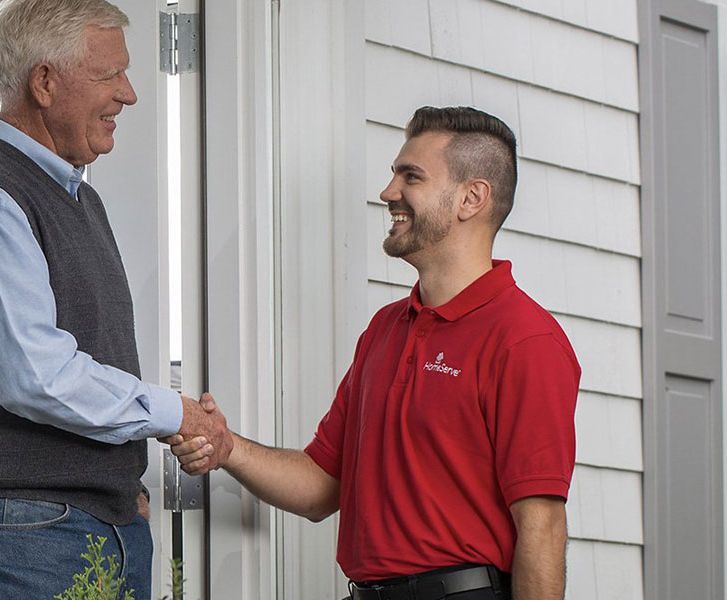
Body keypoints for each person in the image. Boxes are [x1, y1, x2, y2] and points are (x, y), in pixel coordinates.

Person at [167, 106, 581, 600]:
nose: (388, 192)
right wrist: (227, 446)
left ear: (471, 198)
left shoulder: (524, 340)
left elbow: (542, 526)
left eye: (411, 176)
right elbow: (322, 484)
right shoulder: (386, 330)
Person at [0, 1, 232, 598]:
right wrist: (175, 413)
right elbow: (35, 374)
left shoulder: (79, 197)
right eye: (110, 74)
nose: (129, 93)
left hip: (96, 524)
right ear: (45, 82)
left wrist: (125, 490)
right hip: (35, 535)